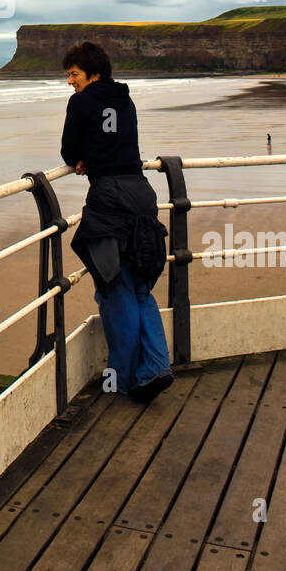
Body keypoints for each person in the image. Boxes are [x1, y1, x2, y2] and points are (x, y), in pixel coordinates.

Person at [61, 40, 173, 404]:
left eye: (74, 75)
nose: (70, 82)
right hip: (142, 193)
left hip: (110, 198)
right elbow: (117, 142)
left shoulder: (81, 101)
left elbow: (68, 152)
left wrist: (83, 159)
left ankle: (123, 380)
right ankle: (156, 367)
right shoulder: (125, 99)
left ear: (93, 74)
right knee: (140, 289)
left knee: (115, 287)